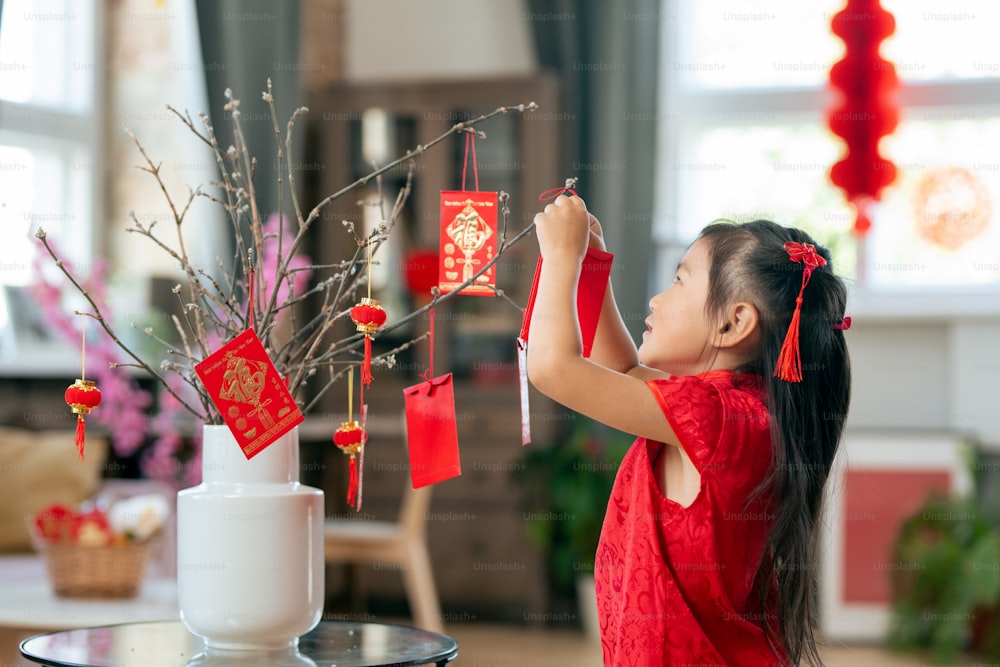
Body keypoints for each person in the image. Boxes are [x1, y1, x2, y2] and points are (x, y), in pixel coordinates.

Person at [526, 195, 851, 666]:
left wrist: (560, 256)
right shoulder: (738, 407)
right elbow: (621, 370)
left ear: (733, 322)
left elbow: (553, 369)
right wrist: (589, 261)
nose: (657, 299)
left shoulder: (718, 414)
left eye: (679, 281)